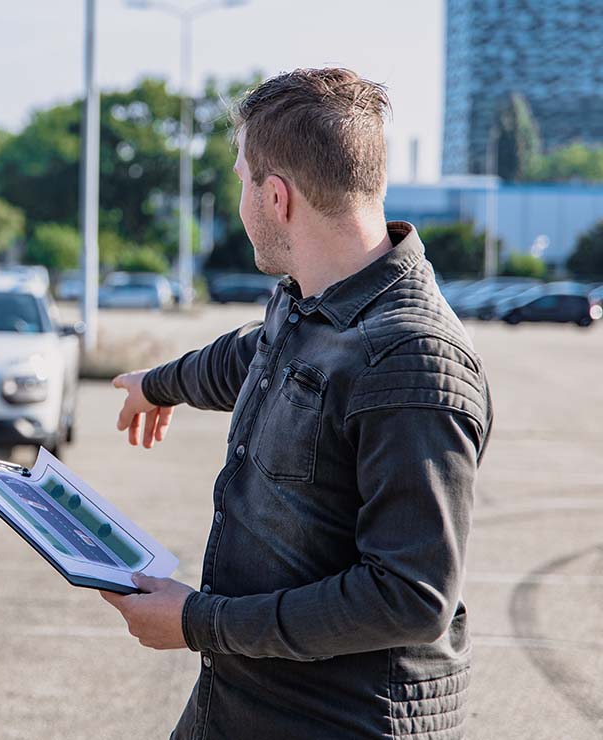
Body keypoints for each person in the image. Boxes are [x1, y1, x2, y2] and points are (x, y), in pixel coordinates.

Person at [104, 68, 493, 739]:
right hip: (243, 699)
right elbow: (254, 357)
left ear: (276, 197)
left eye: (240, 180)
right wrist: (157, 383)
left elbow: (409, 597)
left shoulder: (414, 363)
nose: (239, 199)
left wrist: (198, 622)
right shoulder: (312, 301)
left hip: (338, 721)